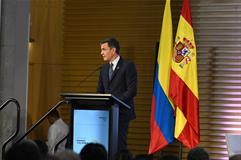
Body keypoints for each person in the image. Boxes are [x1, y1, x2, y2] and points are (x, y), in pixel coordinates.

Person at [97, 37, 138, 151]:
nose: (101, 53)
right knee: (105, 145)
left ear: (113, 50)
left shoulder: (128, 65)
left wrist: (114, 101)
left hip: (121, 113)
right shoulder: (104, 68)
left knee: (119, 145)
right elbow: (100, 91)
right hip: (106, 114)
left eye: (104, 49)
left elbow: (132, 90)